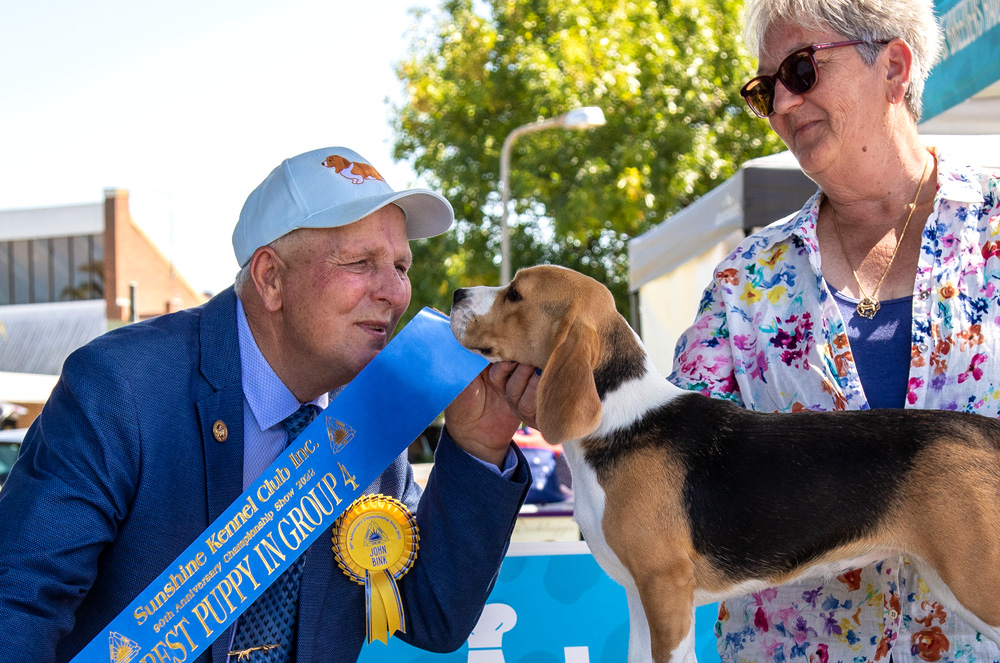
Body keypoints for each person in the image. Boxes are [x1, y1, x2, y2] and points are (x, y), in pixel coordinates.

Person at [0, 147, 539, 663]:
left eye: (400, 267)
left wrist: (477, 445)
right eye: (361, 263)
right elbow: (20, 602)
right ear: (271, 278)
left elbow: (432, 617)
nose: (394, 293)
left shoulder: (375, 414)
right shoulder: (122, 386)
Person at [669, 1, 1000, 662]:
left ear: (894, 66)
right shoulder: (743, 282)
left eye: (801, 69)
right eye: (765, 90)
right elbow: (667, 472)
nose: (784, 104)